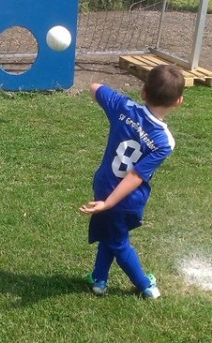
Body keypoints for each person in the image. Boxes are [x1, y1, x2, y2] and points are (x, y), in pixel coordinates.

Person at [79, 64, 184, 299]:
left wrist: (107, 201)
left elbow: (95, 87)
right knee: (119, 242)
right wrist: (109, 203)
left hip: (105, 186)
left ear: (143, 92)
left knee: (111, 234)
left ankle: (99, 279)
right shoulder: (164, 141)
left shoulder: (123, 106)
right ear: (178, 101)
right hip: (127, 199)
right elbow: (136, 176)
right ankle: (146, 286)